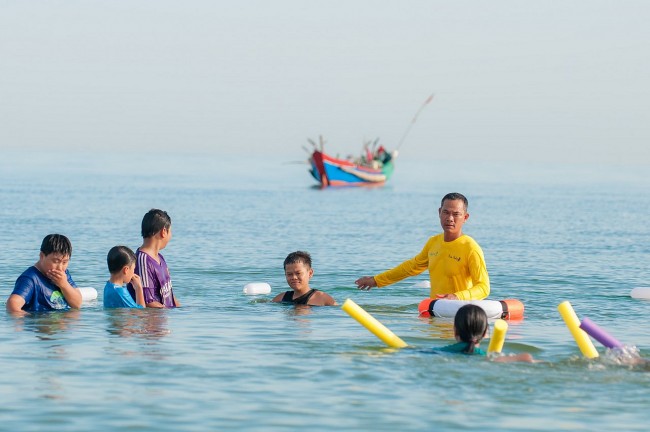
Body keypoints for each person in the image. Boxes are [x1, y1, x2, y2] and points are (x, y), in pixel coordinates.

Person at [355, 192, 489, 300]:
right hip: (436, 313)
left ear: (465, 217)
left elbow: (483, 288)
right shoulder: (433, 243)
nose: (450, 218)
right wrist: (376, 280)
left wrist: (456, 296)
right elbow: (409, 268)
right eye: (446, 212)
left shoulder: (470, 247)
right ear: (439, 212)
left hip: (460, 315)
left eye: (456, 214)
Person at [6, 234, 82, 314]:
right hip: (42, 323)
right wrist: (36, 320)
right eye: (55, 261)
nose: (60, 267)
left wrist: (64, 284)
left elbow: (77, 304)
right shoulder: (31, 278)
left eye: (64, 262)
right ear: (42, 256)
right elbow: (12, 306)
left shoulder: (64, 274)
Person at [438, 304, 534, 362]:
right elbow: (526, 357)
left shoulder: (439, 351)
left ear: (455, 330)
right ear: (485, 332)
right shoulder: (487, 357)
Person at [127, 209, 180, 308]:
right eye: (170, 231)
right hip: (153, 321)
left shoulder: (160, 258)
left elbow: (170, 296)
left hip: (164, 319)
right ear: (164, 232)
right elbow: (148, 303)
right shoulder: (143, 260)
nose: (171, 236)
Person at [272, 251, 337, 306]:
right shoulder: (281, 298)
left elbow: (342, 311)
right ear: (285, 274)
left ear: (310, 273)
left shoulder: (322, 298)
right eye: (289, 274)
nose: (294, 277)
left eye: (298, 273)